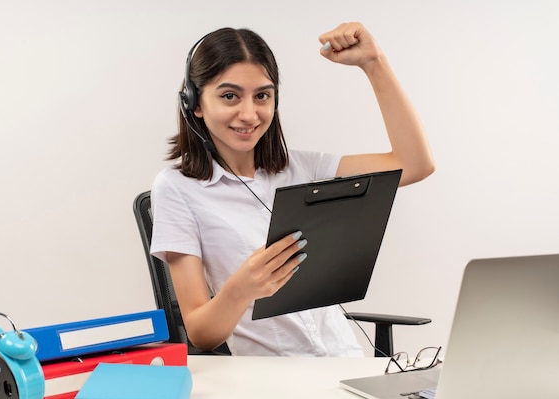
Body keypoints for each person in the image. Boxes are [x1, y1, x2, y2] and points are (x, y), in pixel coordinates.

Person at [150, 22, 435, 356]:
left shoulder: (303, 168)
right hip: (275, 382)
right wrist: (240, 290)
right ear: (195, 103)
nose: (249, 113)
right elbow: (201, 334)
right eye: (229, 96)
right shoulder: (176, 188)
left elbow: (415, 164)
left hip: (346, 364)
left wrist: (374, 63)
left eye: (262, 96)